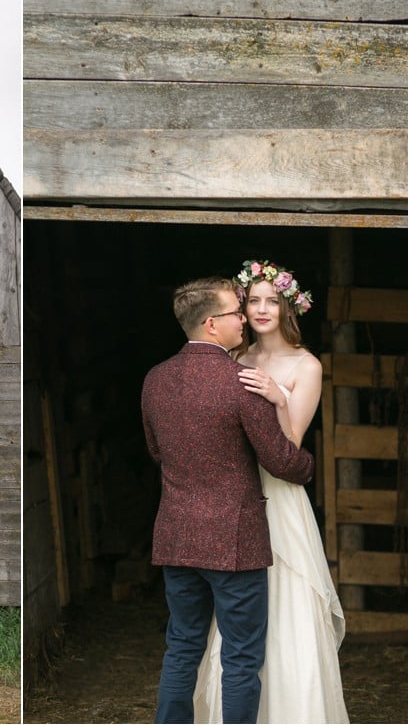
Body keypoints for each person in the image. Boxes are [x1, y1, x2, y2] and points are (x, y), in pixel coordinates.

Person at [142, 276, 315, 724]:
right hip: (234, 543)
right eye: (236, 312)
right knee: (240, 658)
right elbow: (281, 461)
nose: (245, 318)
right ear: (213, 324)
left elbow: (158, 453)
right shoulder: (241, 380)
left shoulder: (155, 379)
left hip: (177, 537)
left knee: (181, 646)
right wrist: (310, 465)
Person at [194, 260, 348, 723]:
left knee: (287, 600)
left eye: (271, 302)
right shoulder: (233, 359)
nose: (262, 310)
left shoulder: (307, 365)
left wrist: (279, 397)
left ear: (287, 308)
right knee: (238, 610)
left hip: (277, 497)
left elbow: (290, 447)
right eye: (253, 301)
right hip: (235, 493)